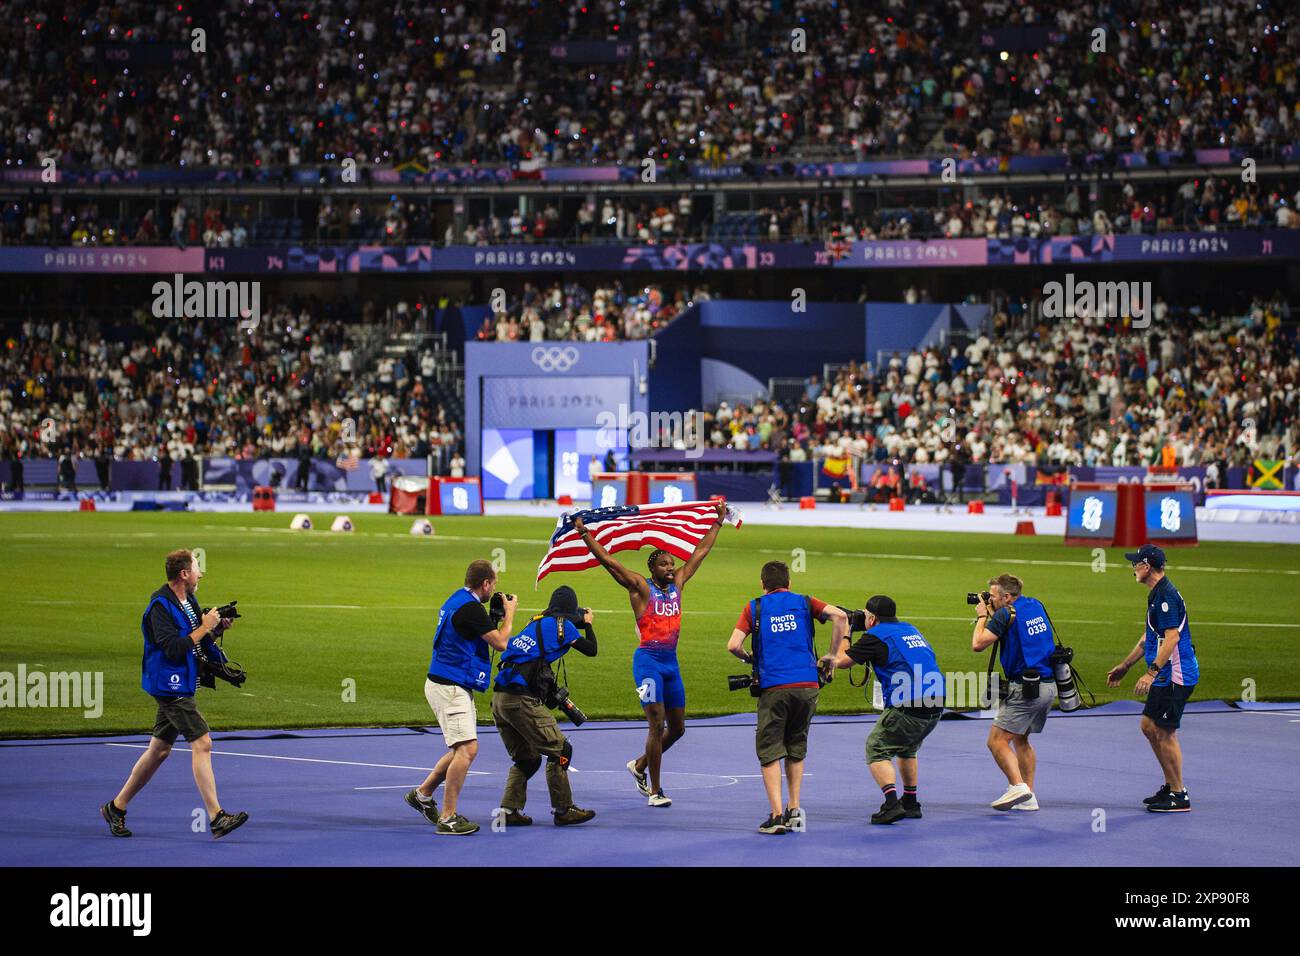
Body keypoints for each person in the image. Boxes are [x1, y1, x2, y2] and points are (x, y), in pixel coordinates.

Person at [574, 500, 727, 808]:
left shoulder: (679, 584)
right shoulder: (641, 588)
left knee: (678, 729)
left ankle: (640, 765)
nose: (670, 567)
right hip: (648, 663)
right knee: (656, 725)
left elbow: (700, 553)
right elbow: (610, 563)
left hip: (671, 663)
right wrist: (585, 535)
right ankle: (656, 791)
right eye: (664, 565)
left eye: (672, 563)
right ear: (652, 570)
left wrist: (718, 523)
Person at [101, 549, 248, 839]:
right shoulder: (160, 607)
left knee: (159, 751)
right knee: (202, 742)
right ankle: (216, 816)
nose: (200, 574)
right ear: (184, 574)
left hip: (180, 681)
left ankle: (116, 808)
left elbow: (194, 639)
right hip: (168, 685)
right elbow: (172, 648)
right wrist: (204, 627)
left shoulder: (188, 601)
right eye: (196, 569)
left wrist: (214, 631)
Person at [727, 561, 847, 834]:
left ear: (762, 584)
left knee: (770, 751)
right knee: (796, 746)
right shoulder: (805, 602)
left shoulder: (754, 607)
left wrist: (749, 658)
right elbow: (840, 616)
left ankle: (776, 815)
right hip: (807, 685)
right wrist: (832, 655)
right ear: (789, 583)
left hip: (774, 686)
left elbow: (733, 645)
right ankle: (794, 810)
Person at [405, 559, 514, 834]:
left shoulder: (457, 599)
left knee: (459, 749)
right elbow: (500, 644)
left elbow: (469, 631)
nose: (495, 590)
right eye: (494, 584)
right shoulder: (470, 609)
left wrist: (491, 619)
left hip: (444, 682)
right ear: (486, 583)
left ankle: (422, 795)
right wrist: (510, 613)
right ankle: (448, 817)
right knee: (467, 750)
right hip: (450, 687)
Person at [822, 595, 944, 825]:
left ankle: (891, 804)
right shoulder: (910, 629)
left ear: (872, 618)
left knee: (876, 748)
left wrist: (847, 630)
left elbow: (841, 660)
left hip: (909, 701)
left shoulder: (875, 636)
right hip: (936, 700)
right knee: (907, 747)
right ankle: (910, 803)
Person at [491, 585, 598, 826]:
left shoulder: (535, 622)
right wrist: (588, 623)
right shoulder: (565, 626)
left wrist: (576, 619)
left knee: (527, 759)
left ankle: (509, 810)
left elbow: (554, 630)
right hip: (521, 700)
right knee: (561, 750)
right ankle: (563, 809)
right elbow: (591, 649)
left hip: (500, 698)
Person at [1106, 545, 1199, 812]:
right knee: (1148, 726)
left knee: (1165, 732)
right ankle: (1170, 785)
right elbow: (1149, 636)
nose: (1133, 567)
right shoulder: (1157, 594)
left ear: (1147, 567)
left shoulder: (1165, 597)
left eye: (1136, 563)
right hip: (1166, 674)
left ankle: (1179, 794)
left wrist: (1150, 673)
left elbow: (1172, 639)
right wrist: (1125, 665)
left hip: (1176, 675)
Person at [971, 573, 1057, 811]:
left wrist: (981, 616)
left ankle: (1017, 786)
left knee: (996, 741)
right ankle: (1029, 797)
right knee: (1021, 739)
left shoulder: (1005, 613)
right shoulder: (1035, 605)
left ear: (1007, 597)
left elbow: (978, 644)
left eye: (994, 596)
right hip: (1048, 686)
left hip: (1025, 689)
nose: (991, 600)